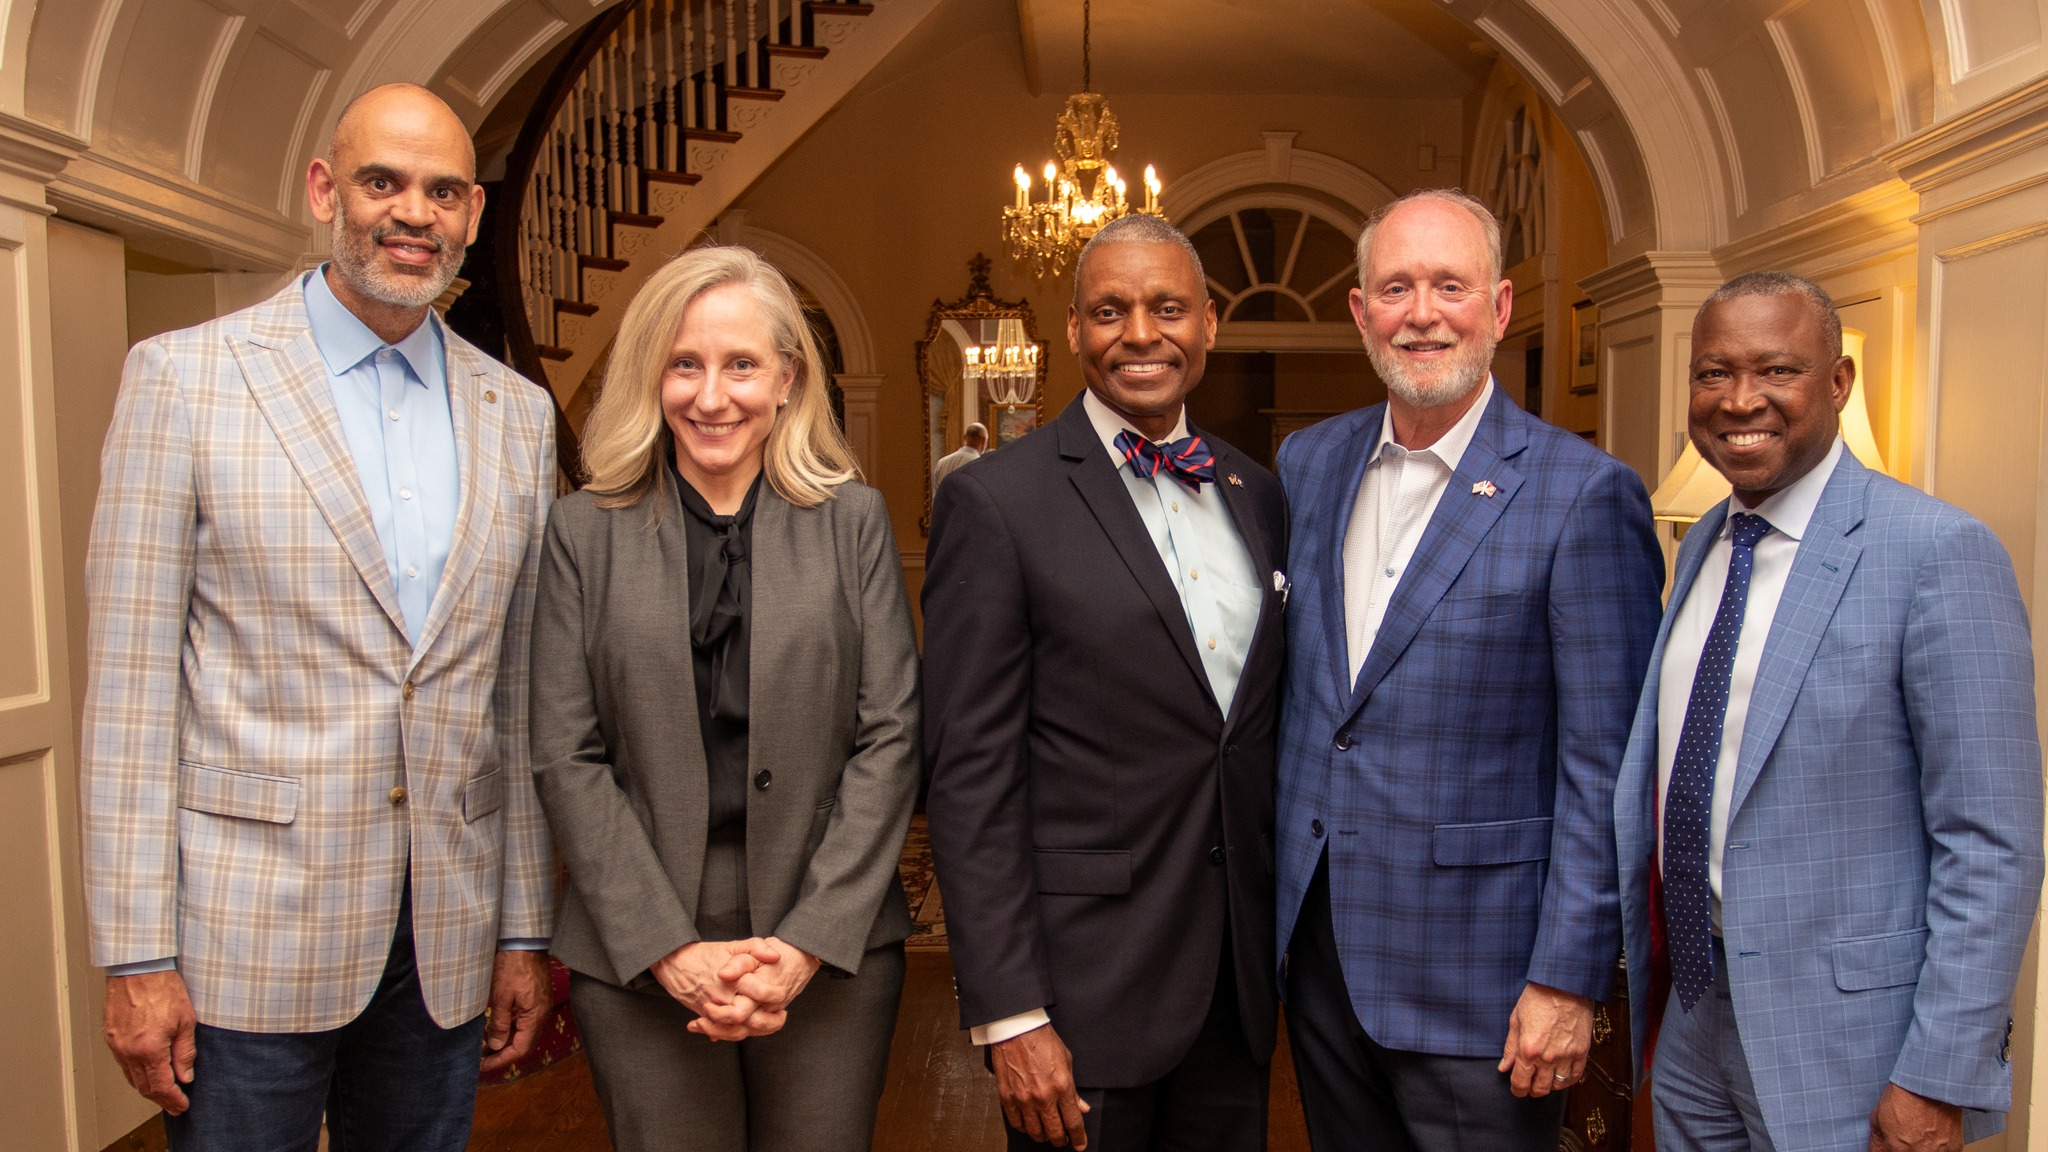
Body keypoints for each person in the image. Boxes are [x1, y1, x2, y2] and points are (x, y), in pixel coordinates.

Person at [82, 83, 557, 1149]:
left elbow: (514, 694)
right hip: (243, 940)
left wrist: (524, 927)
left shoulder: (516, 416)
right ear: (322, 190)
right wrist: (135, 957)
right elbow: (126, 691)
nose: (412, 213)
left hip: (442, 941)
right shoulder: (186, 381)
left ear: (473, 213)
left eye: (442, 191)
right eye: (381, 181)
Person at [1615, 272, 2045, 1152]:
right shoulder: (1705, 541)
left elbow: (1993, 843)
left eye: (1777, 371)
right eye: (1713, 373)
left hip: (1849, 1044)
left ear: (1839, 382)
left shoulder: (1936, 552)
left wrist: (1937, 1074)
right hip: (1696, 1008)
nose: (1741, 401)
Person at [1272, 188, 1664, 1151]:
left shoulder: (1584, 495)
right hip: (1320, 955)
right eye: (1396, 287)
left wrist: (1568, 978)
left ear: (1497, 309)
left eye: (1450, 285)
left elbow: (1604, 767)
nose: (1422, 312)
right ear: (1362, 313)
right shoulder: (1305, 464)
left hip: (1486, 983)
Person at [529, 245, 920, 1152]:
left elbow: (892, 735)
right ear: (651, 377)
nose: (713, 397)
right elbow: (565, 752)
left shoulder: (854, 521)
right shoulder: (582, 532)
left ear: (788, 378)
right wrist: (668, 948)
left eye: (741, 364)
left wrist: (809, 941)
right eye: (685, 364)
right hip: (637, 942)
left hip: (830, 937)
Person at [924, 213, 1288, 1152]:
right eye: (1109, 310)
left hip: (1235, 986)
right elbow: (971, 776)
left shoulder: (1258, 491)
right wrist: (1012, 1014)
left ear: (1209, 323)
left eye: (1168, 307)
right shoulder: (996, 501)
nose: (1140, 333)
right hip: (1082, 992)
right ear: (1075, 329)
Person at [933, 421, 988, 489]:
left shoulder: (942, 463)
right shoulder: (980, 465)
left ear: (964, 437)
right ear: (983, 440)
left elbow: (935, 494)